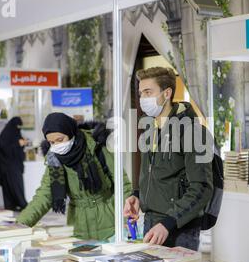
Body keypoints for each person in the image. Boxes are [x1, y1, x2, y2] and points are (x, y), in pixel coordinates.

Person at [123, 67, 214, 251]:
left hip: (180, 229)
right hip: (151, 224)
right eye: (141, 93)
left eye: (148, 92)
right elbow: (156, 178)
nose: (143, 99)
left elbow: (202, 188)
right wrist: (137, 196)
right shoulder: (149, 131)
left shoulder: (193, 131)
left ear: (167, 93)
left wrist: (169, 222)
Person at [17, 113, 132, 240]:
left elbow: (123, 185)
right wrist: (21, 224)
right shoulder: (54, 159)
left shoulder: (97, 146)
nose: (56, 146)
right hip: (79, 227)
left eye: (60, 140)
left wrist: (125, 219)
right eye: (51, 142)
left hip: (110, 222)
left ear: (70, 132)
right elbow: (44, 195)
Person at [0, 117, 28, 211]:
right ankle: (19, 204)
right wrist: (18, 144)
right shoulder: (5, 135)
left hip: (13, 165)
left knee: (15, 185)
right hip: (8, 166)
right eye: (17, 126)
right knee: (14, 185)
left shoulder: (14, 133)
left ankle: (14, 204)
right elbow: (5, 148)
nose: (18, 128)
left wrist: (21, 144)